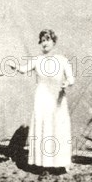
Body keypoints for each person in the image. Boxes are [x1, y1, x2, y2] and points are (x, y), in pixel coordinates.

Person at [8, 29, 75, 172]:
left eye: (48, 40)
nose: (45, 43)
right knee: (42, 129)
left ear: (54, 42)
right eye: (42, 40)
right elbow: (23, 69)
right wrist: (13, 65)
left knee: (56, 129)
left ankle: (60, 163)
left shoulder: (62, 60)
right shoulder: (37, 60)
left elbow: (71, 78)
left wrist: (66, 84)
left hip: (56, 99)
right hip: (42, 99)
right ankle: (42, 164)